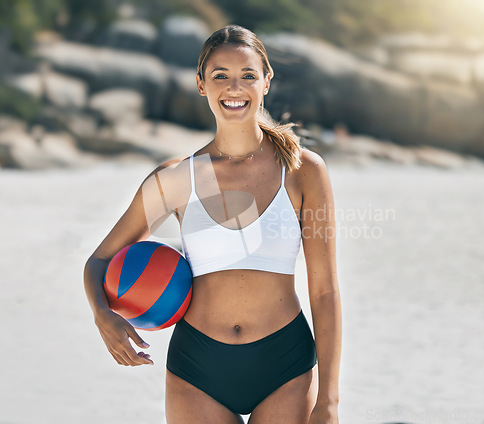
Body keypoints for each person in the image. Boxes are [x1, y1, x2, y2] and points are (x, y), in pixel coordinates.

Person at [84, 24, 342, 424]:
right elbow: (100, 260)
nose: (233, 88)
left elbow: (324, 291)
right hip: (197, 370)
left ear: (266, 81)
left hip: (285, 365)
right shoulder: (173, 180)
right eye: (220, 75)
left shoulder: (302, 170)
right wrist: (103, 314)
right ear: (202, 85)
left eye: (247, 76)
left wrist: (328, 401)